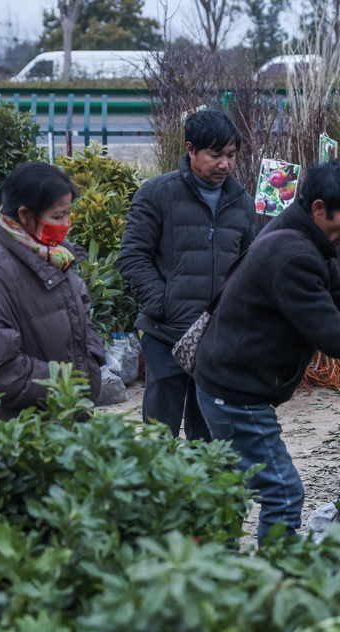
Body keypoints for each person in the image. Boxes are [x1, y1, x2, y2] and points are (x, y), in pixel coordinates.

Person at [193, 160, 340, 546]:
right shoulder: (293, 254)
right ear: (320, 208)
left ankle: (217, 563)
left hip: (228, 379)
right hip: (235, 392)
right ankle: (277, 572)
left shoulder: (300, 231)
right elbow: (332, 335)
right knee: (283, 493)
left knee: (233, 484)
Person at [117, 109, 258, 440]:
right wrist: (162, 303)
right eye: (215, 154)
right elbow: (132, 256)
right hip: (165, 331)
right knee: (160, 430)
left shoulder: (242, 203)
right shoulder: (157, 193)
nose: (225, 164)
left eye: (231, 155)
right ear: (191, 149)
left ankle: (202, 476)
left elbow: (248, 265)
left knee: (208, 430)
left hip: (216, 337)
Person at [0, 161, 105, 420]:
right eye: (58, 216)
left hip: (69, 416)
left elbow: (83, 321)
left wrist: (91, 365)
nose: (66, 224)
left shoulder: (56, 256)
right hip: (25, 428)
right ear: (25, 215)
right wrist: (69, 383)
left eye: (68, 214)